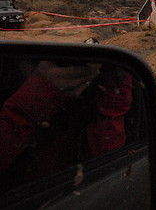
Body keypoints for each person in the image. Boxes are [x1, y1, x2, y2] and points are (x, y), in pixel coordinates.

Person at [0, 59, 132, 192]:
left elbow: (107, 171)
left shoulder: (102, 91)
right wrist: (35, 98)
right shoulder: (9, 74)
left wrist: (112, 81)